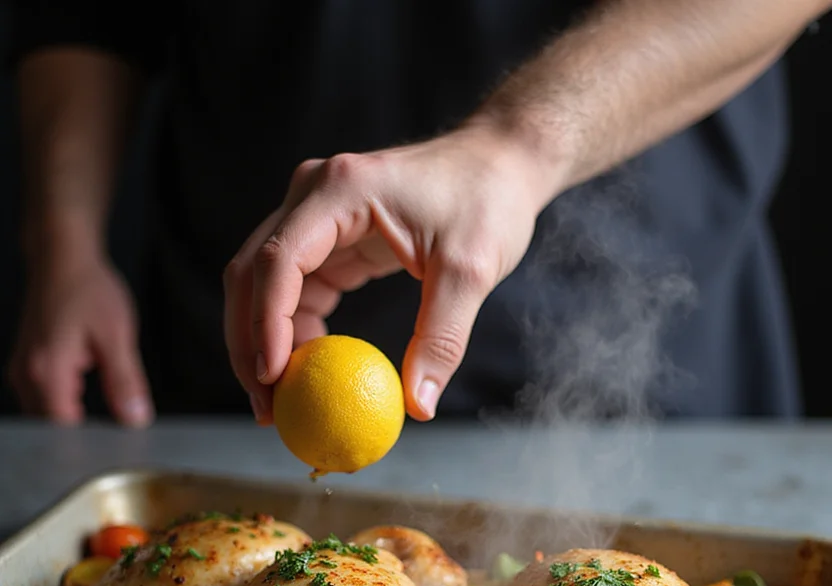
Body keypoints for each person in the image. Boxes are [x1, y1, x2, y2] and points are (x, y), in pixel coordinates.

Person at [5, 1, 830, 428]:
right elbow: (88, 12)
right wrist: (66, 245)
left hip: (647, 351)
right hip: (244, 348)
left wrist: (516, 147)